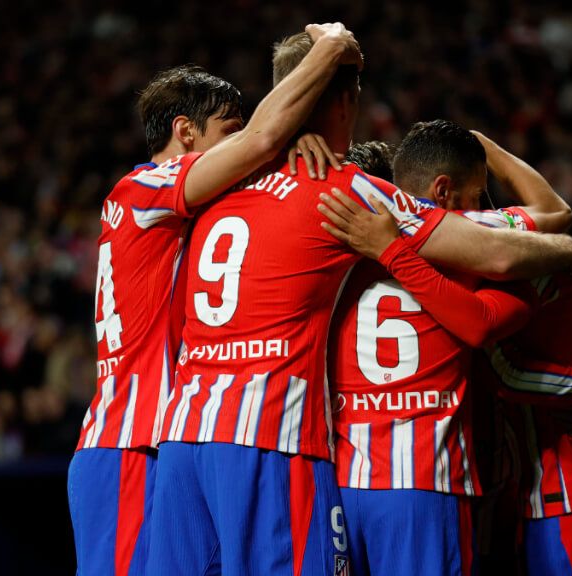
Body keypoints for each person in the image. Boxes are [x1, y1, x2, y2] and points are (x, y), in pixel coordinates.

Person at [147, 29, 572, 575]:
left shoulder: (213, 184)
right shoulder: (345, 188)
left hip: (182, 435)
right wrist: (566, 250)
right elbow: (498, 255)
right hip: (270, 440)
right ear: (347, 100)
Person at [68, 23, 363, 576]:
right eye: (227, 131)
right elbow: (259, 143)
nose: (240, 144)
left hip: (166, 440)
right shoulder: (147, 190)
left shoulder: (173, 205)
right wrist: (328, 50)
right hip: (130, 444)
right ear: (184, 132)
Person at [322, 120, 572, 576]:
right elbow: (551, 216)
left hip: (552, 488)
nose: (482, 203)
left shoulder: (326, 257)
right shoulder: (480, 236)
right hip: (478, 486)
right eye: (476, 192)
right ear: (441, 191)